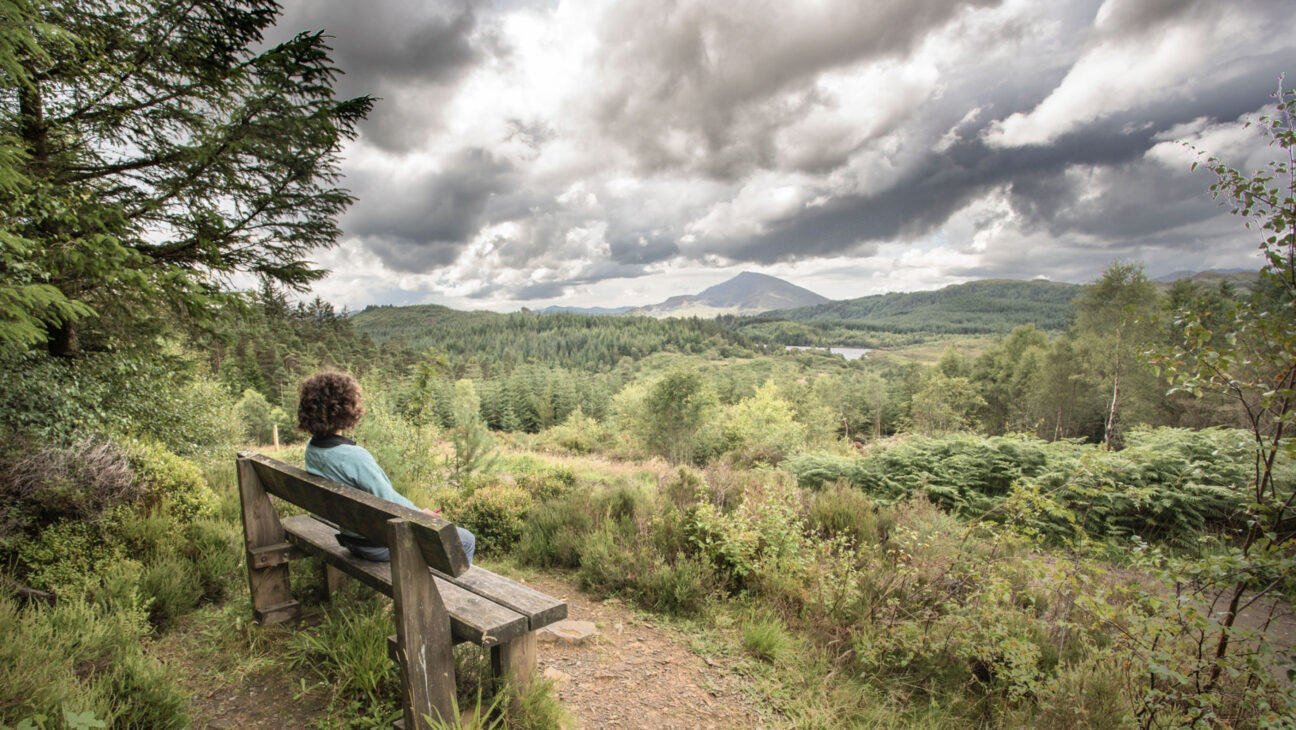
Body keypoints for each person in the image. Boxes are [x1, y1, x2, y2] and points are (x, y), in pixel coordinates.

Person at [296, 371, 476, 564]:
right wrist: (421, 515)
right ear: (345, 409)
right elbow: (388, 501)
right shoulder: (354, 457)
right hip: (376, 544)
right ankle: (451, 593)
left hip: (350, 538)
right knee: (465, 539)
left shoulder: (312, 449)